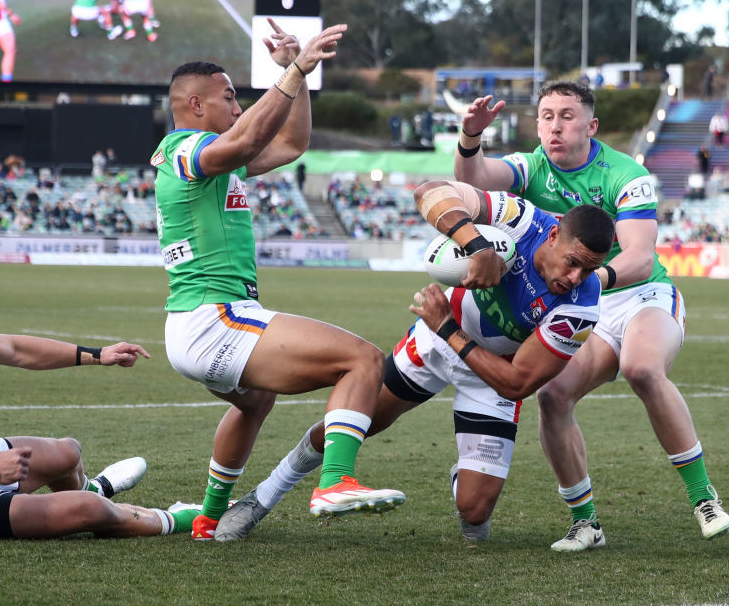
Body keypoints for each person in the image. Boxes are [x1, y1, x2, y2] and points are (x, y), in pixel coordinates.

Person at [214, 182, 615, 542]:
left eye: (590, 269)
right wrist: (476, 244)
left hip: (488, 373)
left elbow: (516, 384)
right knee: (360, 422)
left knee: (475, 513)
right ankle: (261, 497)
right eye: (573, 262)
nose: (577, 277)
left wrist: (447, 329)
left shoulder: (581, 307)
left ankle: (469, 476)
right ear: (553, 234)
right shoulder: (523, 220)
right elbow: (430, 191)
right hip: (433, 345)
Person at [451, 81, 729, 550]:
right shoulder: (531, 166)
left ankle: (704, 498)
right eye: (545, 116)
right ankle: (586, 523)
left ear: (591, 125)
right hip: (586, 302)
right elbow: (471, 182)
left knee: (641, 368)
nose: (554, 126)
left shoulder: (626, 173)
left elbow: (641, 256)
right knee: (554, 396)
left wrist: (588, 281)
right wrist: (470, 139)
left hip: (640, 293)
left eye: (566, 115)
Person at [152, 19, 404, 541]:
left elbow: (291, 143)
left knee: (256, 401)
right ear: (197, 105)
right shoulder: (184, 149)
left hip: (202, 322)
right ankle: (334, 481)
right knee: (363, 359)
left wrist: (300, 79)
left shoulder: (218, 160)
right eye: (228, 97)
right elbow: (245, 140)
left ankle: (208, 515)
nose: (238, 106)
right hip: (213, 318)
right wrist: (293, 70)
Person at [0, 258, 198, 539]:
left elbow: (16, 350)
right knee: (90, 511)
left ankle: (96, 489)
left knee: (67, 453)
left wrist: (99, 355)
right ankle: (185, 515)